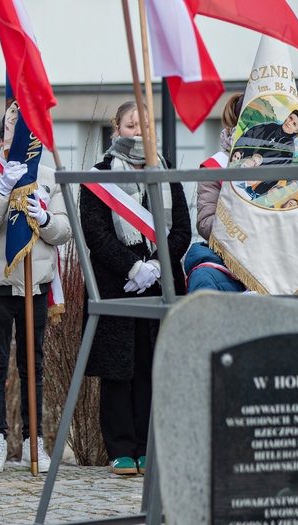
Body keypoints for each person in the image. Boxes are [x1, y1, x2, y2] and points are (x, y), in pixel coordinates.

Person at [79, 101, 191, 476]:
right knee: (118, 371)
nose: (140, 133)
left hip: (161, 280)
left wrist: (157, 265)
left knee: (150, 365)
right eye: (132, 126)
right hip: (117, 282)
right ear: (117, 130)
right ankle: (120, 448)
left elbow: (182, 231)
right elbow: (94, 231)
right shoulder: (99, 175)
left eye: (146, 126)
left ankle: (147, 445)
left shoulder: (166, 172)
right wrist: (132, 266)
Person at [0, 99, 71, 474]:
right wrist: (4, 189)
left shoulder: (48, 175)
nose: (22, 128)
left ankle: (34, 441)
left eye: (28, 123)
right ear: (3, 130)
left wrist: (42, 217)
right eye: (15, 121)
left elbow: (63, 230)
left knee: (33, 367)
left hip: (35, 285)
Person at [186, 93, 248, 293]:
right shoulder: (216, 166)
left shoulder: (290, 161)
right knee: (203, 281)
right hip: (230, 258)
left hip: (280, 256)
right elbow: (205, 223)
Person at [229, 109, 298, 166]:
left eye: (294, 124)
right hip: (237, 166)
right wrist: (239, 151)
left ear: (296, 130)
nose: (289, 123)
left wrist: (262, 160)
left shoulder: (289, 150)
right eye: (290, 118)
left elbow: (277, 171)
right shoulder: (269, 126)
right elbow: (248, 135)